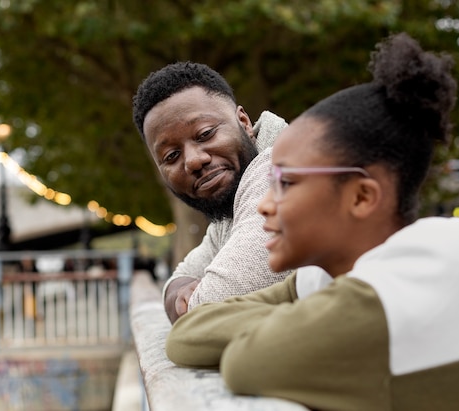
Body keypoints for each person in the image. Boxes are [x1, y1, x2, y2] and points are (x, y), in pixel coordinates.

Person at [165, 33, 459, 410]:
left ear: (361, 197)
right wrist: (301, 317)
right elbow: (187, 334)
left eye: (287, 183)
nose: (263, 205)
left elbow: (242, 363)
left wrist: (285, 319)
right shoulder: (339, 273)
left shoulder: (388, 297)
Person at [132, 62, 327, 323]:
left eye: (204, 134)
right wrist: (179, 291)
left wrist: (192, 299)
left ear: (244, 122)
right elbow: (176, 283)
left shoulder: (281, 171)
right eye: (172, 155)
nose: (193, 161)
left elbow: (210, 311)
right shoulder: (229, 208)